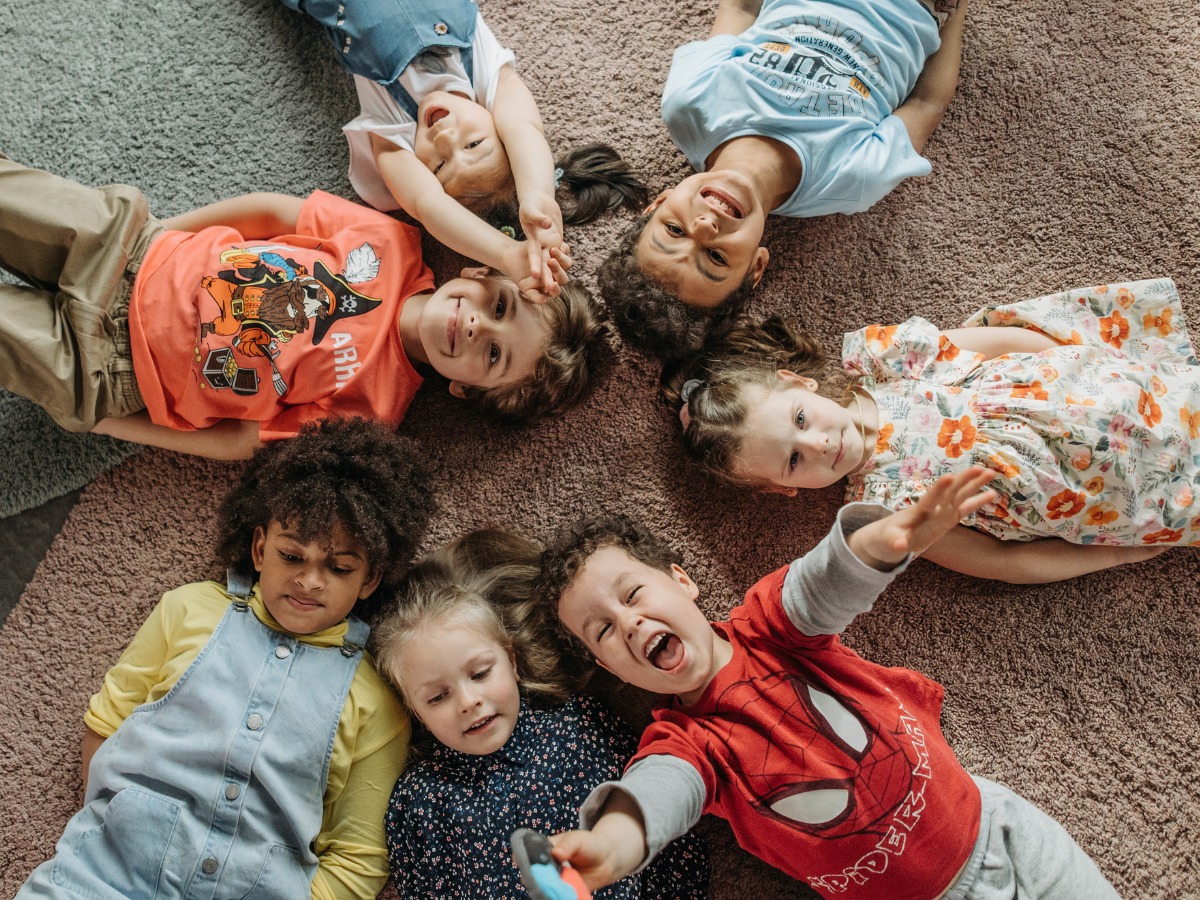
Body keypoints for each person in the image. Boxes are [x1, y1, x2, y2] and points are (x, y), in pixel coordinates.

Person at [535, 468, 1122, 899]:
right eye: (603, 632)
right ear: (610, 668)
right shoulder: (685, 745)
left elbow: (820, 585)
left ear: (682, 580)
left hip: (998, 826)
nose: (630, 622)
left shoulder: (768, 625)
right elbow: (659, 793)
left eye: (634, 594)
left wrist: (885, 542)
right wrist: (612, 846)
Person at [16, 416, 433, 900]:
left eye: (338, 568)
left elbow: (359, 858)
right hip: (99, 877)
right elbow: (106, 722)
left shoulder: (376, 699)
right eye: (292, 556)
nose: (310, 581)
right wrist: (112, 823)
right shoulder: (188, 609)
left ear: (370, 580)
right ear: (259, 549)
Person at [0, 152, 608, 460]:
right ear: (479, 270)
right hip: (128, 252)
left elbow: (240, 440)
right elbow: (272, 212)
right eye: (498, 304)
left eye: (495, 354)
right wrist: (160, 237)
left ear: (467, 392)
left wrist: (104, 419)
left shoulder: (373, 415)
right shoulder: (392, 244)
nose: (477, 325)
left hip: (110, 372)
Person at [663, 278, 1188, 582]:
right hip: (1108, 495)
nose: (819, 442)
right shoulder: (887, 510)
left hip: (1103, 390)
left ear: (798, 381)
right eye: (794, 459)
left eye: (801, 419)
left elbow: (999, 344)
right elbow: (998, 560)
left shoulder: (886, 363)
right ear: (786, 489)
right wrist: (1112, 555)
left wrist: (1080, 362)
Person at [597, 0, 969, 359]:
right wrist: (957, 12)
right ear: (756, 267)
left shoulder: (689, 103)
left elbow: (740, 8)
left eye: (675, 231)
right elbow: (926, 103)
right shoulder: (851, 180)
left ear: (658, 202)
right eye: (715, 256)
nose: (706, 225)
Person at [372, 528, 709, 899]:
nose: (468, 702)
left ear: (512, 661)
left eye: (481, 674)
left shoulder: (582, 725)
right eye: (437, 697)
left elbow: (662, 833)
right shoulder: (418, 799)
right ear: (414, 710)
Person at [281, 0, 648, 299]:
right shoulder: (487, 78)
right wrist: (539, 197)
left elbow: (428, 206)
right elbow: (524, 127)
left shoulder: (393, 123)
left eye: (439, 166)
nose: (445, 139)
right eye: (474, 144)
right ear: (497, 125)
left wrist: (506, 254)